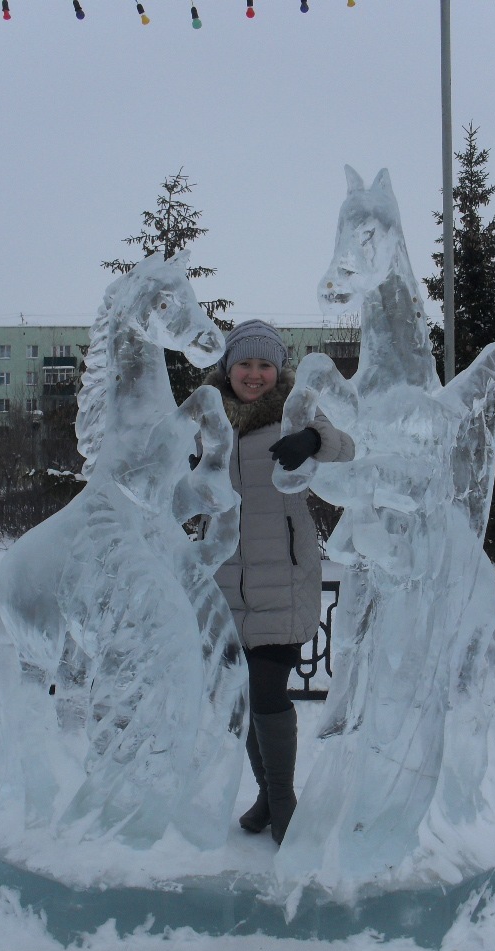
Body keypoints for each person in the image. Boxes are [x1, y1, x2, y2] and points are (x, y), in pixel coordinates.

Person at [199, 320, 354, 843]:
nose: (254, 374)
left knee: (267, 690)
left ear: (278, 370)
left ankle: (284, 797)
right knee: (244, 696)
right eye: (245, 363)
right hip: (225, 581)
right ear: (228, 368)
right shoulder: (207, 416)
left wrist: (312, 438)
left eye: (265, 365)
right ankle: (267, 794)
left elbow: (347, 447)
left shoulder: (296, 409)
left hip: (283, 577)